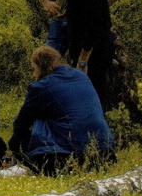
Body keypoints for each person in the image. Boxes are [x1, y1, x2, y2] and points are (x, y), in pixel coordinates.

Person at [8, 46, 114, 175]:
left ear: (38, 67)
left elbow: (21, 123)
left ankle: (41, 168)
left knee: (18, 139)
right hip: (105, 149)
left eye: (33, 68)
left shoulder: (41, 87)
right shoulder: (80, 75)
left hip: (73, 154)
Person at [37, 0, 116, 106]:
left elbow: (94, 26)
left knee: (90, 98)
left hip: (93, 52)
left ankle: (94, 131)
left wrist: (82, 61)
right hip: (86, 48)